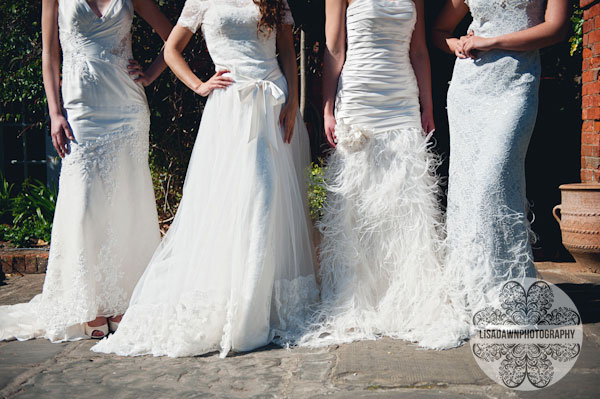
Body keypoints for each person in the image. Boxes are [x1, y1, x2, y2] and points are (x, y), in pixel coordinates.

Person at [92, 0, 318, 358]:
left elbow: (288, 50)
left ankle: (259, 308)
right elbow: (171, 49)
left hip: (273, 106)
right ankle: (240, 305)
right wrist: (198, 85)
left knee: (268, 201)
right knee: (241, 201)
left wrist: (292, 102)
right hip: (230, 109)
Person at [298, 0, 468, 350]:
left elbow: (419, 51)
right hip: (358, 97)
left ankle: (403, 292)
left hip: (401, 99)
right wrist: (328, 108)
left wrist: (428, 104)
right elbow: (333, 48)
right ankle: (358, 295)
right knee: (359, 204)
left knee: (405, 198)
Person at [0, 0, 172, 341]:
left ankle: (122, 299)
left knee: (127, 202)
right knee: (84, 208)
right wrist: (55, 113)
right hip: (81, 110)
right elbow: (49, 57)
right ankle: (89, 302)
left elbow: (174, 36)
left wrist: (150, 73)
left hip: (128, 108)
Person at [432, 0, 570, 313]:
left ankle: (506, 295)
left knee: (493, 182)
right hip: (469, 87)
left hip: (515, 83)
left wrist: (490, 41)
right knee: (467, 189)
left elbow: (557, 29)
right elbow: (439, 31)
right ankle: (470, 291)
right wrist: (458, 45)